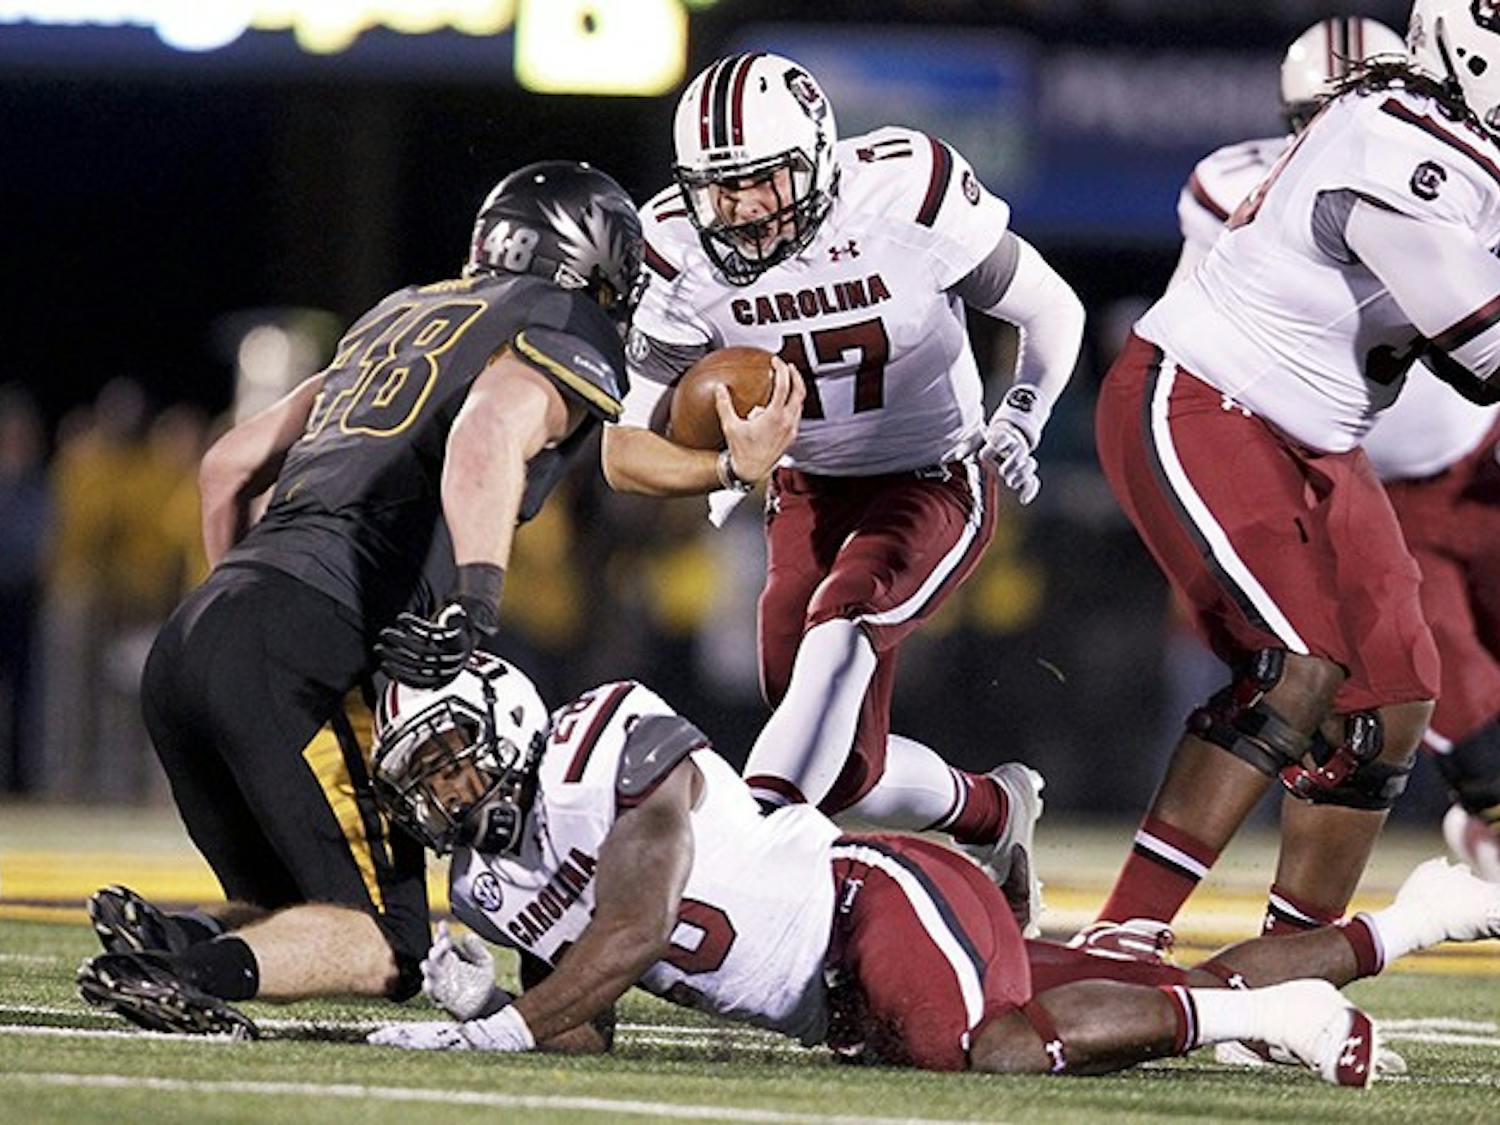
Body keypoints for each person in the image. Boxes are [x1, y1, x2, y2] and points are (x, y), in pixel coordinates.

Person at [74, 161, 644, 1035]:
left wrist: (235, 605)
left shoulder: (400, 311)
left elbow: (229, 463)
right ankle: (185, 969)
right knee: (392, 943)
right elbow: (488, 432)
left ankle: (166, 938)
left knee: (293, 907)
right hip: (301, 639)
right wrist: (477, 600)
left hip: (200, 633)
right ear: (590, 260)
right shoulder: (561, 319)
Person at [358, 655, 1500, 1086]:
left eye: (455, 759)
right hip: (847, 987)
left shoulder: (598, 747)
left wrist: (487, 1035)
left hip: (874, 898)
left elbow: (637, 928)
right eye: (427, 778)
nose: (449, 794)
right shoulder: (487, 886)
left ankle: (1282, 1014)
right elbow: (590, 1024)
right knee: (1118, 989)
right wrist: (499, 1002)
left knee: (993, 1051)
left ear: (508, 721)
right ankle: (1420, 920)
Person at [600, 53, 1084, 919]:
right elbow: (624, 450)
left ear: (819, 156)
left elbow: (1051, 309)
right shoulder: (673, 245)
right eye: (718, 188)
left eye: (760, 181)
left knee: (845, 619)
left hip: (934, 475)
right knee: (847, 766)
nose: (738, 209)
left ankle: (742, 863)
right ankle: (995, 809)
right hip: (805, 491)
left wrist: (1020, 415)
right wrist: (722, 469)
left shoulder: (905, 194)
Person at [1090, 0, 1500, 947]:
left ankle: (1287, 962)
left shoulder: (1448, 138)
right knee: (1293, 672)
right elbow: (1479, 343)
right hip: (1206, 402)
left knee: (1393, 698)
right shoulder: (1398, 137)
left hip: (1322, 440)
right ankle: (1122, 935)